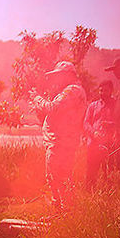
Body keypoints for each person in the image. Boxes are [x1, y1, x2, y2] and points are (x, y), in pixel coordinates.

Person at [30, 61, 86, 208]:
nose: (55, 79)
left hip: (61, 143)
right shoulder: (71, 91)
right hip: (60, 142)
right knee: (57, 178)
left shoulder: (72, 90)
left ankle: (64, 213)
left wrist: (37, 98)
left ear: (67, 75)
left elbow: (52, 108)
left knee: (58, 178)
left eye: (58, 76)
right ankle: (62, 212)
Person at [83, 80, 116, 186]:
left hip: (109, 145)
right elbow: (86, 123)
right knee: (91, 173)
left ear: (111, 91)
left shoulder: (116, 105)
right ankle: (88, 196)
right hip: (93, 144)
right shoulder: (93, 106)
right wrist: (94, 133)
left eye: (105, 91)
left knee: (108, 173)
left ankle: (107, 198)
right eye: (101, 91)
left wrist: (110, 124)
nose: (102, 93)